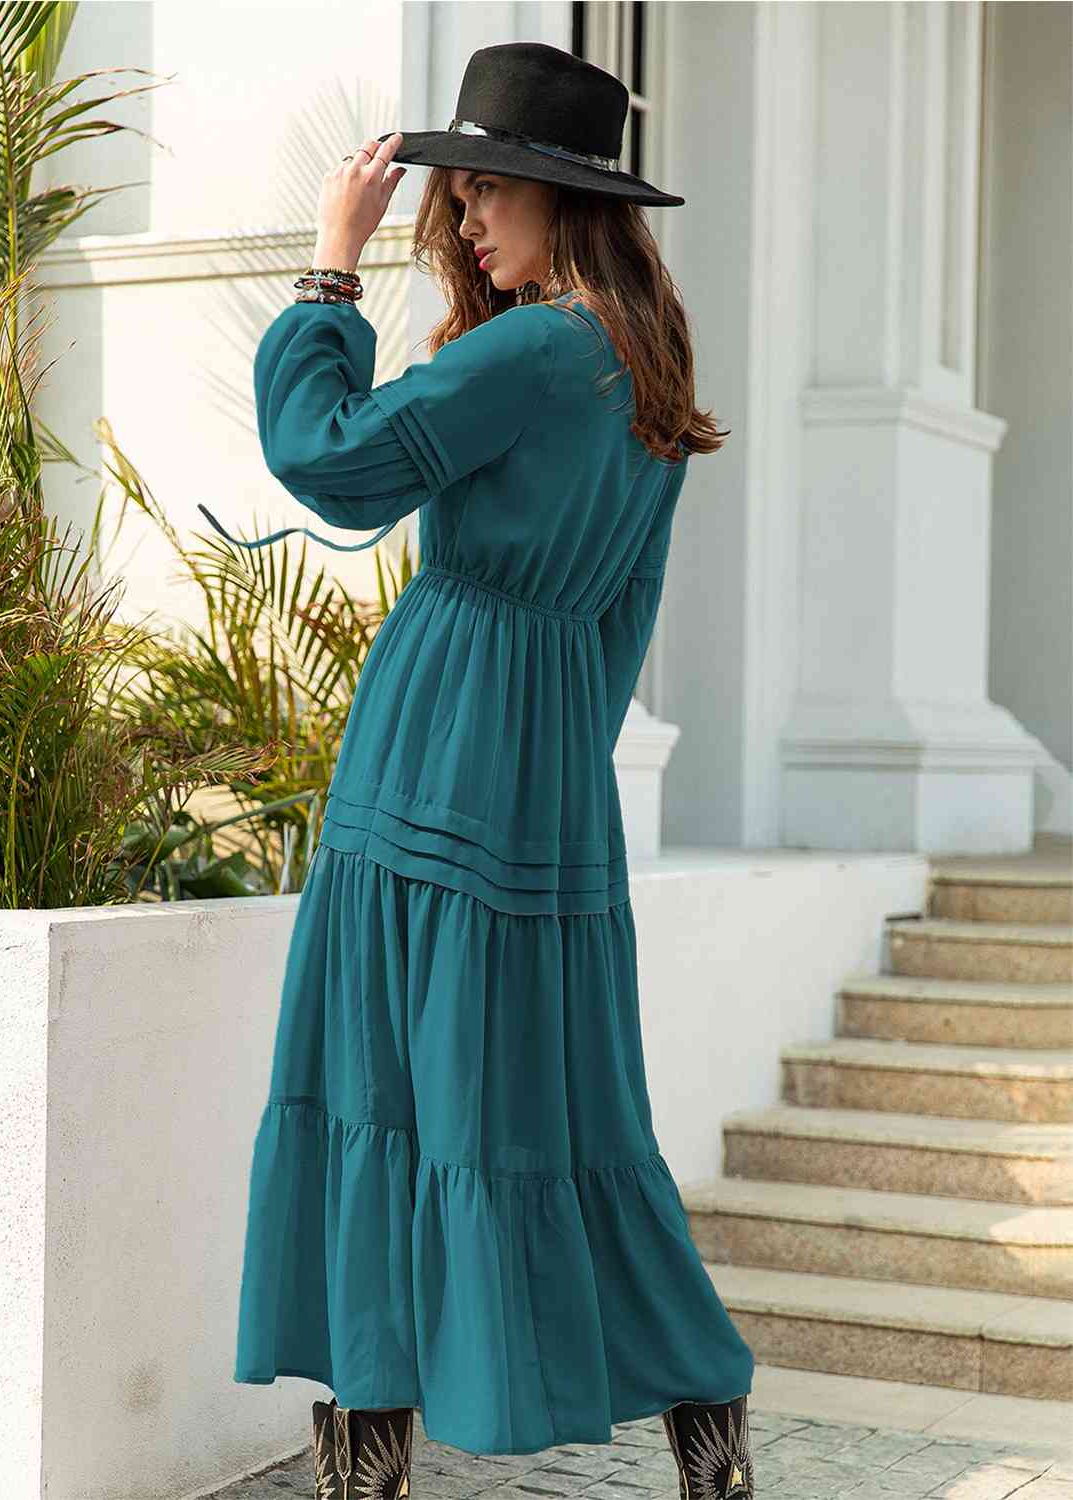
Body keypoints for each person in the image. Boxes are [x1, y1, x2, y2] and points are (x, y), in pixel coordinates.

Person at [210, 39, 756, 1500]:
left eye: (485, 191)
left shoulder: (531, 351)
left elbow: (329, 458)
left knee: (374, 1089)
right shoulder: (643, 360)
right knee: (564, 1114)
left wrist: (331, 268)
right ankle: (709, 1438)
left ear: (561, 199)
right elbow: (623, 612)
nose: (462, 216)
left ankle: (364, 1472)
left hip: (433, 756)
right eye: (457, 194)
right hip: (545, 781)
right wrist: (556, 772)